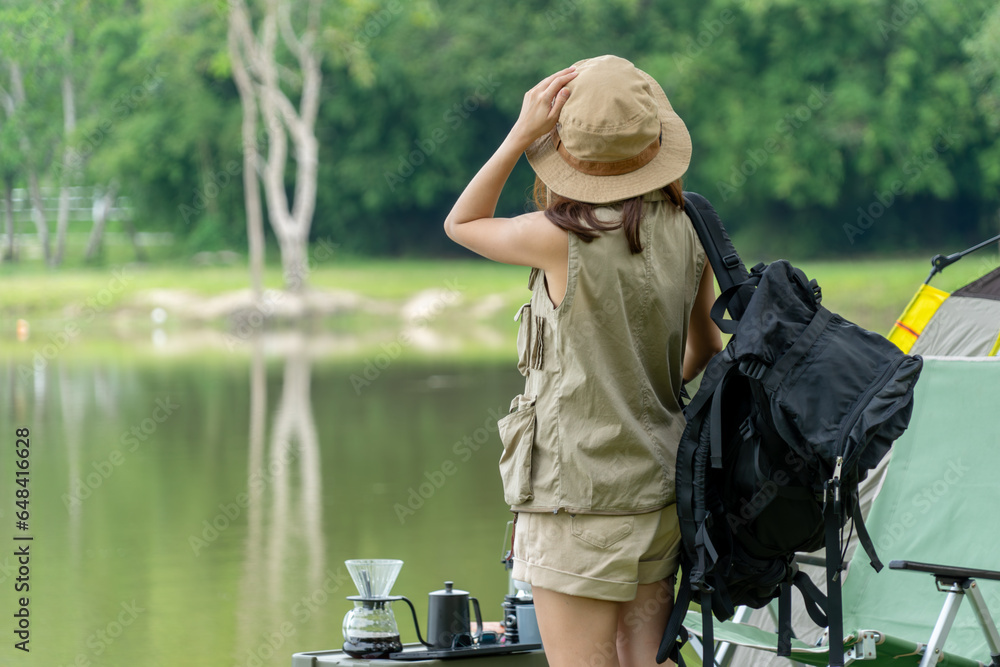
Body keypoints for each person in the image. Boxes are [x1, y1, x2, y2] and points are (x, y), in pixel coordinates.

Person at [443, 55, 723, 667]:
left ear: (568, 151)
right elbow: (707, 347)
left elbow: (462, 222)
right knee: (648, 657)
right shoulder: (689, 228)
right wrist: (637, 387)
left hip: (579, 503)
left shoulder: (558, 236)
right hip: (658, 489)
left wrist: (520, 133)